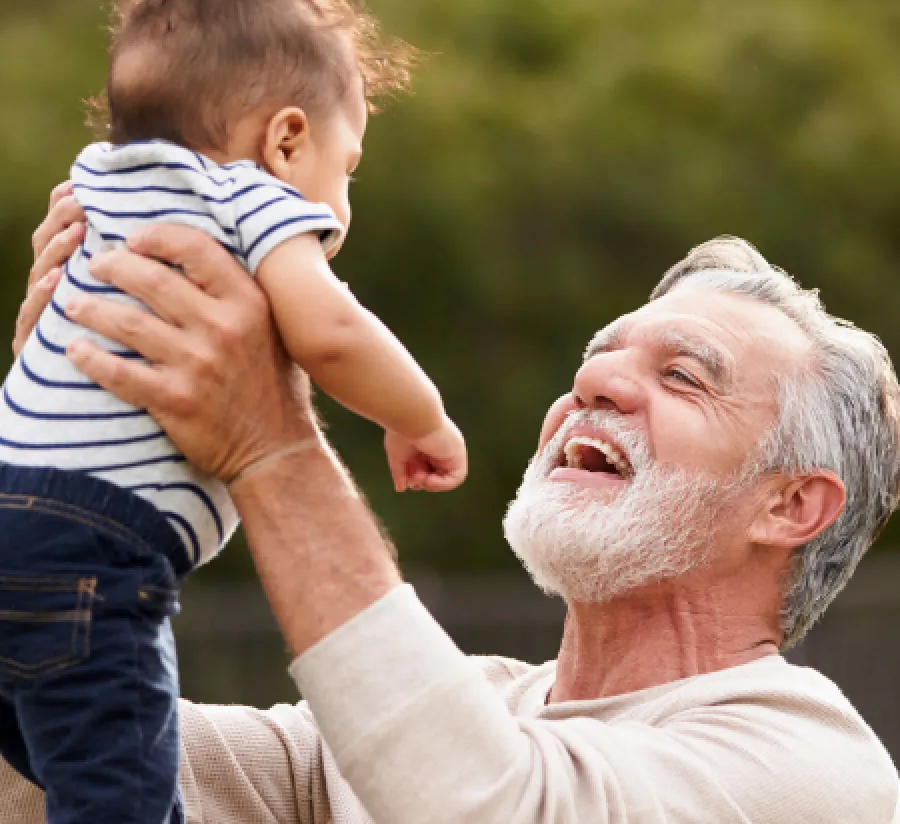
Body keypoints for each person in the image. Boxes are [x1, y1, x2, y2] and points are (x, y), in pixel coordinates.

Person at [2, 196, 898, 823]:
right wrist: (61, 441)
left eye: (683, 376)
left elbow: (487, 806)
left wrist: (271, 444)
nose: (593, 382)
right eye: (598, 356)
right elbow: (64, 760)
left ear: (790, 506)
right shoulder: (452, 710)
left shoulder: (816, 769)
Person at [0, 0, 465, 824]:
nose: (343, 204)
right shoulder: (246, 196)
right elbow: (331, 332)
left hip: (12, 509)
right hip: (98, 552)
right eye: (350, 168)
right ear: (288, 141)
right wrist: (422, 417)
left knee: (58, 747)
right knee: (124, 793)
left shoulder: (95, 186)